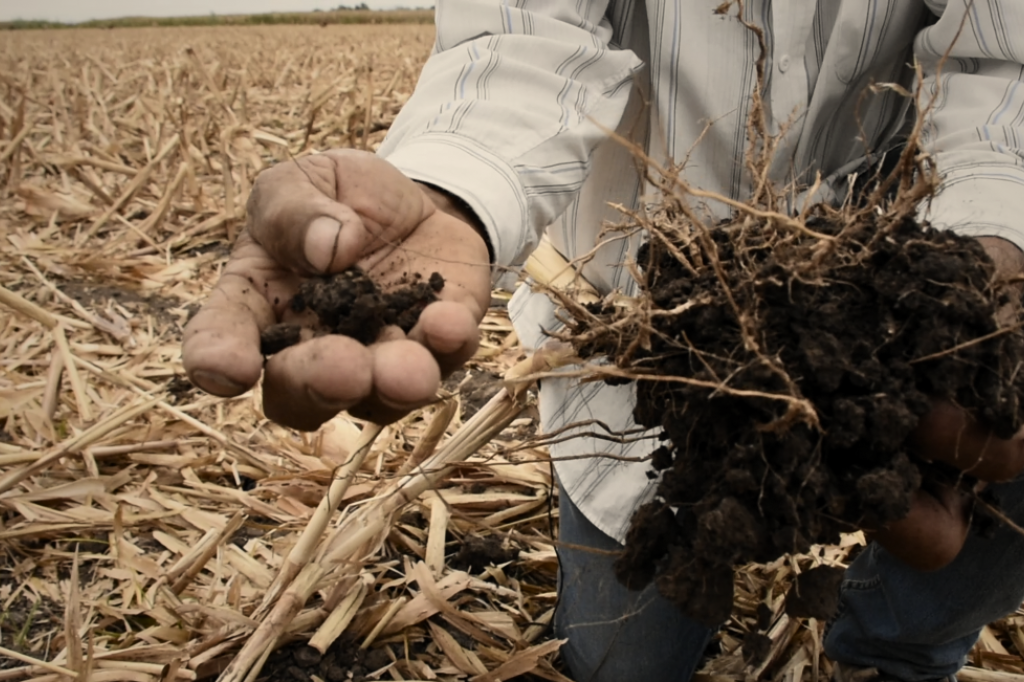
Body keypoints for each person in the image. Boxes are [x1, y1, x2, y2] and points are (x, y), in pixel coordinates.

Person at [182, 2, 1024, 681]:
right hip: (639, 342)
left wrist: (980, 255)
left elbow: (1000, 62)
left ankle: (890, 652)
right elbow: (526, 33)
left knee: (950, 556)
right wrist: (454, 185)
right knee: (625, 655)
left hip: (901, 324)